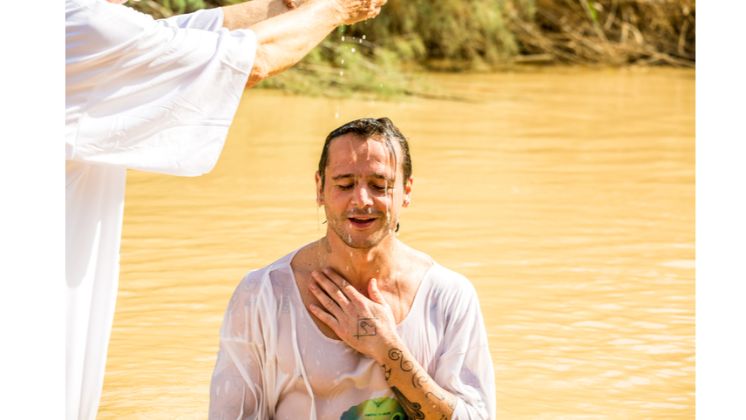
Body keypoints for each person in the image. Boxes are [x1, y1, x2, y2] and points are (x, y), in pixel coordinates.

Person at [65, 0, 386, 418]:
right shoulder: (81, 26)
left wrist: (295, 5)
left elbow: (194, 31)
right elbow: (254, 59)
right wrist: (337, 9)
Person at [209, 117, 495, 419]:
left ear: (406, 191)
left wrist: (387, 349)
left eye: (379, 185)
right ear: (320, 189)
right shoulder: (263, 295)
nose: (361, 200)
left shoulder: (448, 296)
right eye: (345, 184)